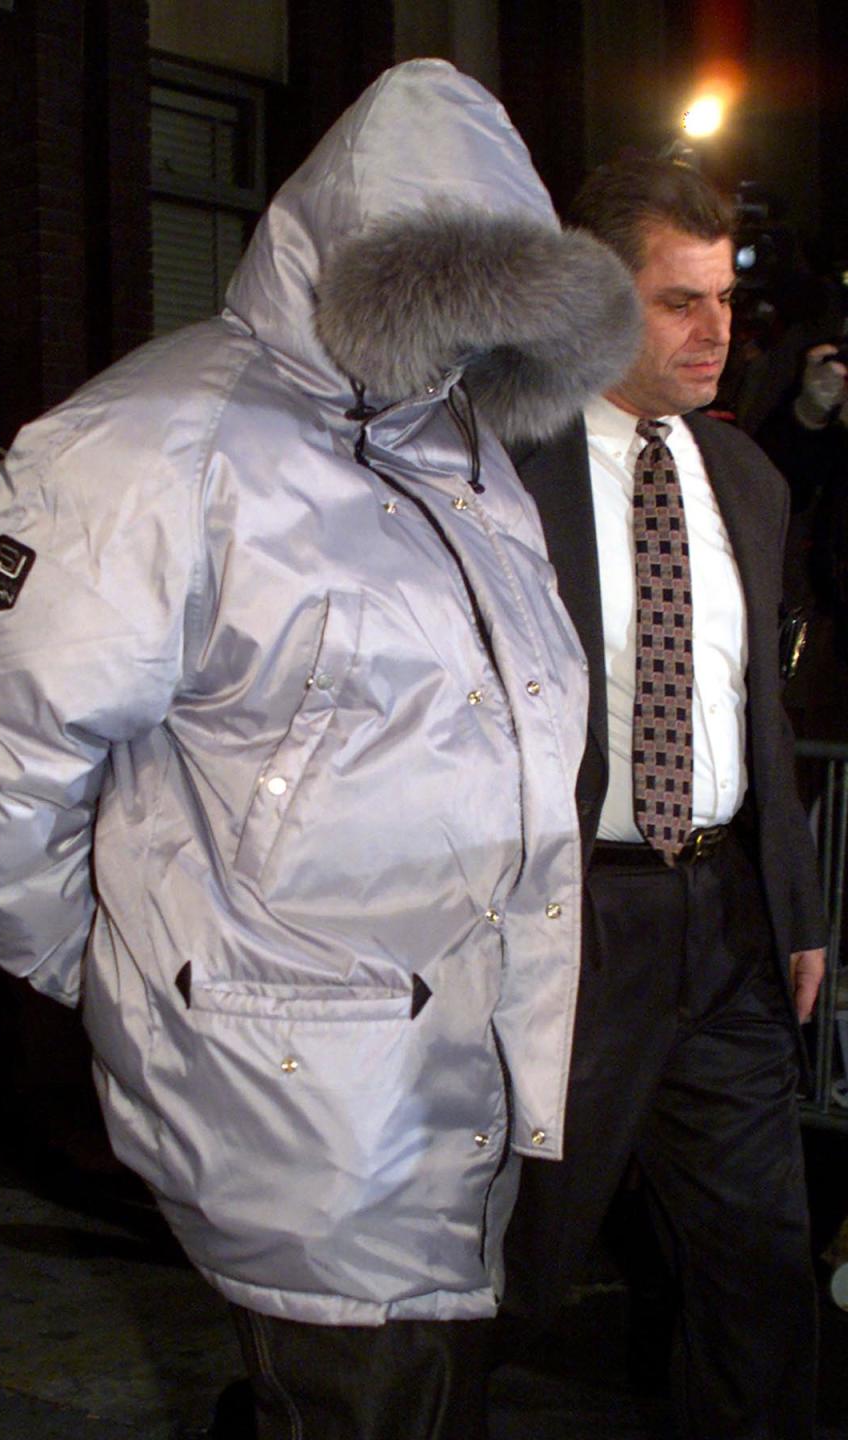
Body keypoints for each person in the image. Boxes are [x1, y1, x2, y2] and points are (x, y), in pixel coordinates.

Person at [0, 62, 641, 1440]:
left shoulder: (462, 449)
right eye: (445, 301)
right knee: (357, 1399)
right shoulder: (151, 447)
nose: (466, 348)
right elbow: (7, 746)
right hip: (294, 1073)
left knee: (401, 1395)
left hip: (459, 1042)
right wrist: (95, 959)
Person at [504, 154, 827, 1440]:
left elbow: (763, 712)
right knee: (504, 1271)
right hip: (569, 927)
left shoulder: (745, 480)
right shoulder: (498, 474)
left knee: (760, 1272)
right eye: (678, 300)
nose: (717, 331)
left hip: (726, 926)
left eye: (727, 299)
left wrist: (793, 905)